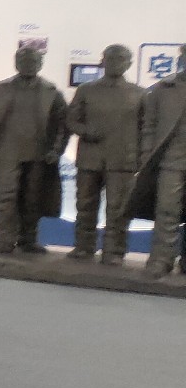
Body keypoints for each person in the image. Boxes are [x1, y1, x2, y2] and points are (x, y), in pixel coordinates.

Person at [0, 46, 67, 254]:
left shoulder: (51, 92)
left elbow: (62, 125)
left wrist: (56, 149)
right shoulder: (2, 90)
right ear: (16, 63)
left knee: (33, 198)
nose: (28, 65)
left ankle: (28, 239)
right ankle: (3, 240)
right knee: (5, 197)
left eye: (33, 61)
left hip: (39, 154)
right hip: (5, 152)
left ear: (41, 64)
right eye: (23, 61)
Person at [66, 45, 143, 264]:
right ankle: (83, 246)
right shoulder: (86, 90)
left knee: (118, 209)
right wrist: (85, 131)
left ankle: (114, 251)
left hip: (123, 160)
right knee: (85, 205)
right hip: (90, 157)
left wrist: (142, 157)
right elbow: (70, 119)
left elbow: (146, 127)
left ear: (129, 64)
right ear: (102, 61)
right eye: (111, 58)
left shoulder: (139, 93)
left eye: (121, 59)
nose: (116, 63)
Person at [136, 49, 186, 278]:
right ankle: (161, 259)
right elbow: (149, 125)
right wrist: (147, 154)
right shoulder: (162, 89)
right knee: (166, 211)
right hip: (170, 159)